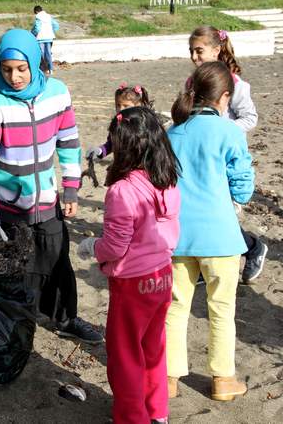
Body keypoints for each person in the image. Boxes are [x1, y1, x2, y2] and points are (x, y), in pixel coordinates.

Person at [0, 29, 103, 344]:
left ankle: (64, 318)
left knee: (56, 258)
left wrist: (71, 188)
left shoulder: (58, 93)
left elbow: (69, 143)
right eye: (6, 70)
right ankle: (12, 325)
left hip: (47, 198)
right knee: (14, 267)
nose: (15, 77)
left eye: (21, 68)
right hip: (8, 206)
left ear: (35, 61)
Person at [78, 107, 181, 423]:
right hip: (162, 274)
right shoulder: (166, 180)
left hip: (132, 283)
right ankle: (157, 412)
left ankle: (132, 417)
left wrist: (91, 247)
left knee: (125, 356)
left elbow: (115, 245)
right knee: (153, 349)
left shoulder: (122, 191)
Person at [165, 61, 254, 401]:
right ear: (224, 98)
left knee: (175, 308)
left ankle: (169, 379)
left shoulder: (173, 133)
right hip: (220, 237)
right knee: (221, 310)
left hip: (177, 235)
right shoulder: (231, 132)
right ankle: (222, 379)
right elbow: (243, 188)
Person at [188, 25, 266, 284]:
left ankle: (253, 247)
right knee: (200, 211)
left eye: (199, 51)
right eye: (191, 51)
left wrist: (222, 129)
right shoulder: (192, 82)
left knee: (221, 218)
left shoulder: (236, 85)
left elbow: (250, 117)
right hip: (199, 156)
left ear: (217, 50)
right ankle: (202, 265)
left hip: (225, 160)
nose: (194, 57)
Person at [85, 83, 155, 160]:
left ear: (138, 106)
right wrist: (100, 151)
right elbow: (111, 145)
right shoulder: (117, 124)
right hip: (121, 166)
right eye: (118, 105)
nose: (121, 109)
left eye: (126, 106)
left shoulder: (144, 126)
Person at [31, 5, 60, 75]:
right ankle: (51, 69)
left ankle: (45, 69)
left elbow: (37, 28)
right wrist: (51, 31)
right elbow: (56, 25)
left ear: (36, 11)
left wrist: (32, 33)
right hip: (49, 37)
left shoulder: (38, 17)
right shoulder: (48, 16)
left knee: (42, 54)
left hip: (40, 38)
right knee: (49, 53)